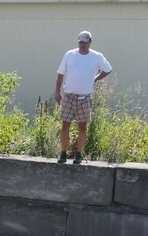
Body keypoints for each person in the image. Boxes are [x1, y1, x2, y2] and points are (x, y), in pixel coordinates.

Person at [54, 30, 113, 165]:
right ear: (78, 42)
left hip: (84, 97)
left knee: (82, 127)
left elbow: (108, 69)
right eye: (81, 42)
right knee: (65, 125)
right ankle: (63, 152)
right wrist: (57, 92)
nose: (83, 45)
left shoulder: (96, 56)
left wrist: (95, 79)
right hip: (69, 96)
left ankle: (78, 154)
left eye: (85, 42)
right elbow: (60, 74)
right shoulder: (70, 55)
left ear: (90, 43)